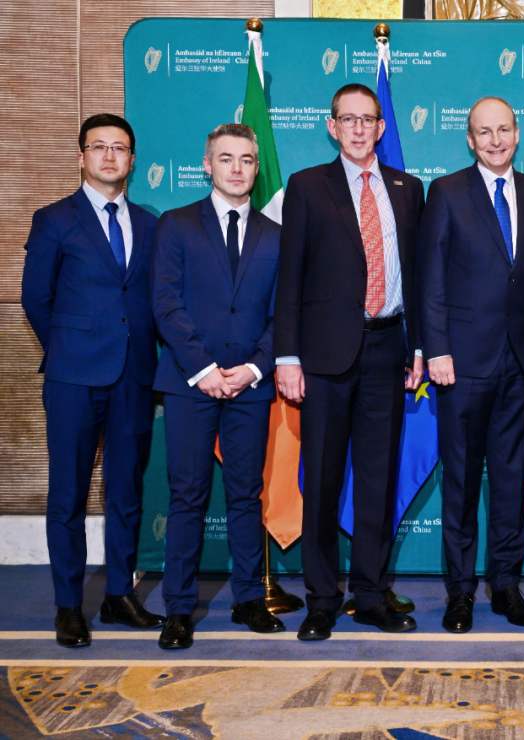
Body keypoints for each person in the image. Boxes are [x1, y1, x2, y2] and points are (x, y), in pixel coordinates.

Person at [275, 83, 425, 641]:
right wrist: (287, 356)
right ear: (332, 126)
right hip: (324, 356)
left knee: (378, 482)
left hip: (388, 349)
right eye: (349, 119)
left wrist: (418, 347)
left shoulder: (408, 189)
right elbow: (290, 277)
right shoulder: (307, 186)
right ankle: (321, 600)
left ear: (381, 128)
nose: (359, 129)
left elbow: (418, 276)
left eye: (368, 119)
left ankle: (370, 594)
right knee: (323, 478)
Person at [22, 114, 164, 648]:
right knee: (69, 494)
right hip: (73, 379)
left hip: (134, 376)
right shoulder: (54, 219)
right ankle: (68, 606)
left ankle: (119, 595)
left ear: (133, 160)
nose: (109, 156)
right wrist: (70, 349)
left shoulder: (150, 224)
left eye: (119, 148)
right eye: (98, 147)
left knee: (126, 491)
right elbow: (36, 299)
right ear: (81, 156)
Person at [418, 96, 524, 634]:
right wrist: (437, 350)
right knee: (460, 483)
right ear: (470, 139)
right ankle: (460, 591)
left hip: (520, 364)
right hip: (461, 364)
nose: (495, 140)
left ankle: (506, 585)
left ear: (517, 134)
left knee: (510, 480)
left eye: (503, 130)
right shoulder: (447, 191)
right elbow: (431, 276)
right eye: (484, 132)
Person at [151, 124, 284, 649]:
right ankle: (178, 608)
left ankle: (249, 598)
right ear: (207, 165)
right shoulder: (177, 224)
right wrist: (203, 369)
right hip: (191, 384)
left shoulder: (276, 235)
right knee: (188, 496)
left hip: (251, 385)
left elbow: (282, 314)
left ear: (257, 167)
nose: (237, 168)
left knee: (246, 495)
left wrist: (254, 368)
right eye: (225, 158)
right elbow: (165, 304)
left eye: (246, 159)